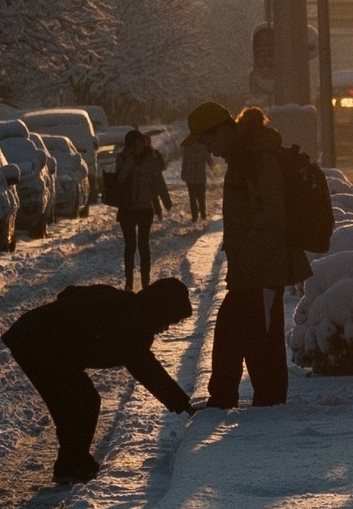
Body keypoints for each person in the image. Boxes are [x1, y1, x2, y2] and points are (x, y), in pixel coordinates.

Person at [1, 278, 198, 484]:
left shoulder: (126, 305)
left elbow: (70, 291)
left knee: (74, 403)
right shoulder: (131, 323)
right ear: (160, 309)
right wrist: (182, 404)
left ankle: (73, 463)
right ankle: (72, 466)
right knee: (82, 401)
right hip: (36, 343)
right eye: (168, 320)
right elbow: (147, 371)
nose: (166, 327)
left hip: (42, 341)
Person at [181, 101, 312, 409]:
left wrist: (247, 260)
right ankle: (223, 396)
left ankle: (268, 405)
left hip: (263, 270)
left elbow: (270, 218)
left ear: (223, 130)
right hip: (250, 270)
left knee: (263, 343)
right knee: (230, 332)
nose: (209, 149)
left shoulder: (256, 160)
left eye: (209, 140)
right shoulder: (244, 158)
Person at [115, 129, 171, 291]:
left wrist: (166, 201)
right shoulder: (122, 158)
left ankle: (145, 281)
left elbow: (158, 180)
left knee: (143, 245)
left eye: (140, 143)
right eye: (134, 144)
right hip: (127, 209)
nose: (138, 147)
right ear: (129, 145)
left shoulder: (150, 158)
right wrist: (129, 163)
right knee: (130, 246)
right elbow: (119, 179)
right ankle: (129, 282)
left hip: (145, 208)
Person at [180, 141, 212, 221]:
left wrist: (215, 168)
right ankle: (197, 215)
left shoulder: (202, 147)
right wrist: (183, 173)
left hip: (198, 177)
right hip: (193, 178)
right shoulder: (189, 147)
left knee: (198, 198)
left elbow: (209, 159)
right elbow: (185, 161)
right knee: (195, 198)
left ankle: (201, 214)